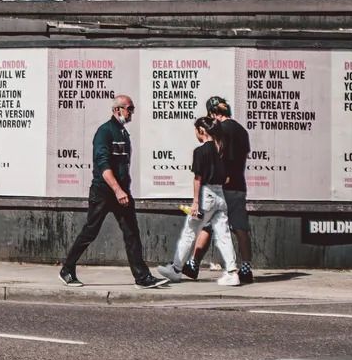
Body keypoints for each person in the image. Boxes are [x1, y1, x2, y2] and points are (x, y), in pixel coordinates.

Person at [58, 94, 167, 289]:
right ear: (118, 110)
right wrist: (117, 190)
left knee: (132, 233)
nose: (131, 112)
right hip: (103, 192)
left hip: (121, 192)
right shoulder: (105, 132)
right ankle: (67, 269)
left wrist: (123, 189)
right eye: (129, 108)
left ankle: (142, 278)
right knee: (90, 232)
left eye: (132, 108)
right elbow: (103, 165)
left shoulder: (123, 133)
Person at [158, 116, 240, 286]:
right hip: (220, 195)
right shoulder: (222, 150)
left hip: (206, 195)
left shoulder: (200, 151)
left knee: (189, 232)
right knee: (223, 235)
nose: (195, 133)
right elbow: (227, 178)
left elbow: (197, 179)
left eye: (196, 130)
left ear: (201, 131)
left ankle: (175, 269)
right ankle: (232, 273)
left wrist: (196, 202)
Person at [187, 95, 254, 284]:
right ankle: (246, 268)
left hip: (219, 186)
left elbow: (215, 156)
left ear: (213, 113)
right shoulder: (242, 131)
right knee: (240, 228)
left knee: (207, 225)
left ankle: (193, 264)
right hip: (238, 186)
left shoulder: (219, 130)